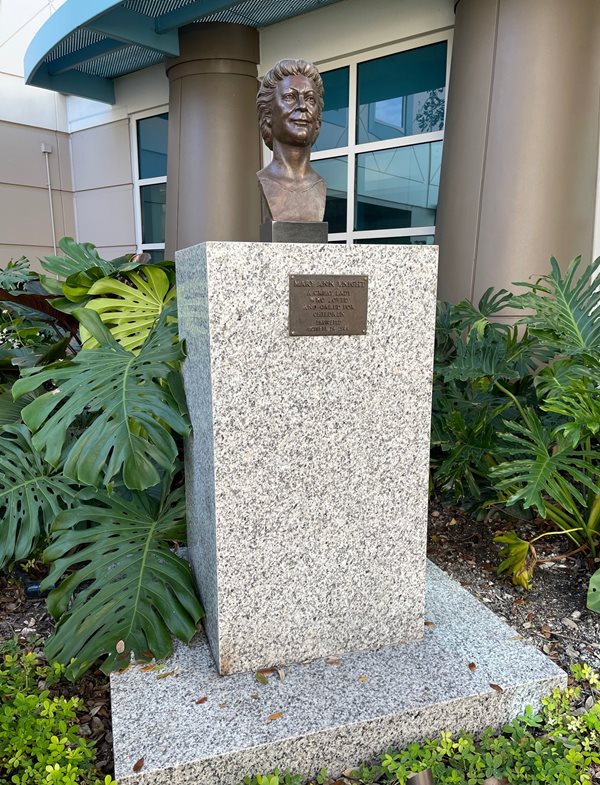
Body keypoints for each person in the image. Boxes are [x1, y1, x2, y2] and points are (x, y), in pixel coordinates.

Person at [256, 59, 326, 223]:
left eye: (310, 99)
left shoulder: (320, 186)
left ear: (318, 119)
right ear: (267, 116)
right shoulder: (263, 182)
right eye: (289, 97)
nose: (302, 106)